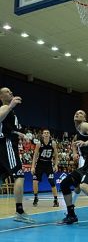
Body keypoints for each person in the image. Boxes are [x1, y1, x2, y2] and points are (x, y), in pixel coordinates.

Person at [0, 87, 35, 223]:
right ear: (1, 96)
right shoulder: (4, 108)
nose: (11, 93)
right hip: (6, 145)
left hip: (5, 144)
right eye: (7, 92)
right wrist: (10, 106)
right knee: (19, 175)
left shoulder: (10, 111)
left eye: (11, 91)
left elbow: (8, 128)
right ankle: (19, 211)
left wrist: (19, 134)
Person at [31, 129, 59, 207]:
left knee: (51, 182)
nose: (46, 134)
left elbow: (56, 155)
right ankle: (36, 197)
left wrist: (56, 165)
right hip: (40, 164)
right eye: (45, 133)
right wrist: (33, 166)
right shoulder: (39, 144)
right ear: (42, 135)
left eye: (47, 133)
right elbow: (35, 156)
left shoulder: (53, 143)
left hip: (48, 164)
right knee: (35, 181)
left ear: (49, 135)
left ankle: (56, 200)